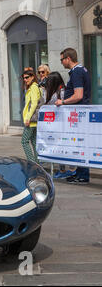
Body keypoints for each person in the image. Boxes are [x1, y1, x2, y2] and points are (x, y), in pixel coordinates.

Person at [55, 47, 92, 184]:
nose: (61, 62)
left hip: (79, 114)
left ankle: (83, 175)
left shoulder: (76, 72)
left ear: (68, 58)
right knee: (79, 145)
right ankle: (80, 172)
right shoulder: (81, 70)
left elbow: (78, 95)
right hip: (80, 113)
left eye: (61, 59)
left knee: (80, 145)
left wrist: (62, 102)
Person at [43, 72, 77, 179]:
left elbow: (47, 102)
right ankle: (63, 169)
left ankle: (70, 169)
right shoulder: (59, 92)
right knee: (60, 147)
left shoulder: (59, 93)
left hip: (62, 124)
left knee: (65, 146)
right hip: (58, 124)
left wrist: (45, 91)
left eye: (48, 81)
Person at [20, 69, 41, 164]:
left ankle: (32, 162)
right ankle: (37, 162)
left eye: (27, 77)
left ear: (32, 77)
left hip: (31, 120)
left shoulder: (33, 87)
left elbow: (34, 103)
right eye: (24, 78)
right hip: (33, 120)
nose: (25, 79)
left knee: (24, 141)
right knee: (34, 142)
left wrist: (28, 118)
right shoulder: (33, 87)